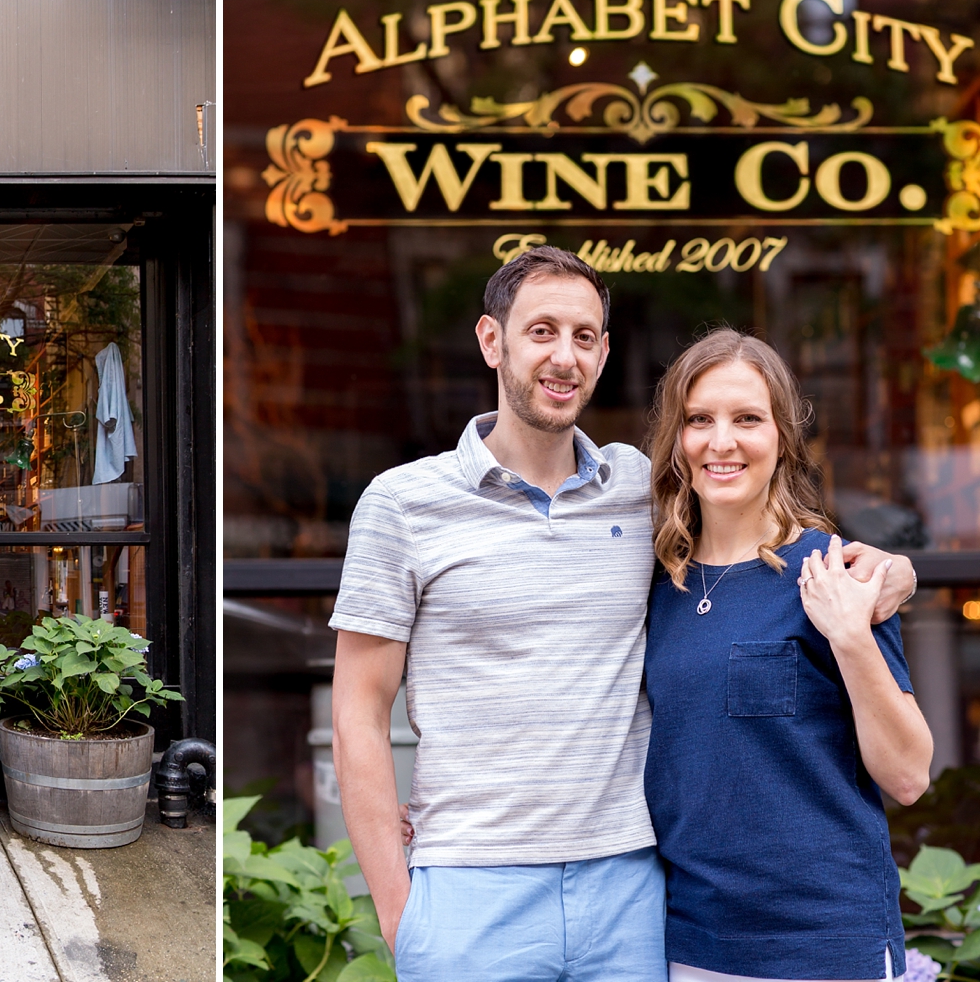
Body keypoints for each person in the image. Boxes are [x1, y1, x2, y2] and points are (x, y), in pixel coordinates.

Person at [331, 246, 914, 982]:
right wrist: (397, 907)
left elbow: (756, 537)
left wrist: (896, 571)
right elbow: (358, 708)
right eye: (541, 330)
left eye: (583, 336)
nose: (563, 356)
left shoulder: (641, 493)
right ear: (491, 340)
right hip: (474, 884)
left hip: (632, 888)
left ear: (604, 352)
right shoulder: (402, 503)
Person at [642, 330, 932, 982]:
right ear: (677, 438)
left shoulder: (834, 572)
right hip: (694, 944)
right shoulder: (655, 586)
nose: (721, 441)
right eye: (699, 419)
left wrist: (851, 635)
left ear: (782, 436)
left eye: (747, 418)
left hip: (826, 945)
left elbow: (910, 774)